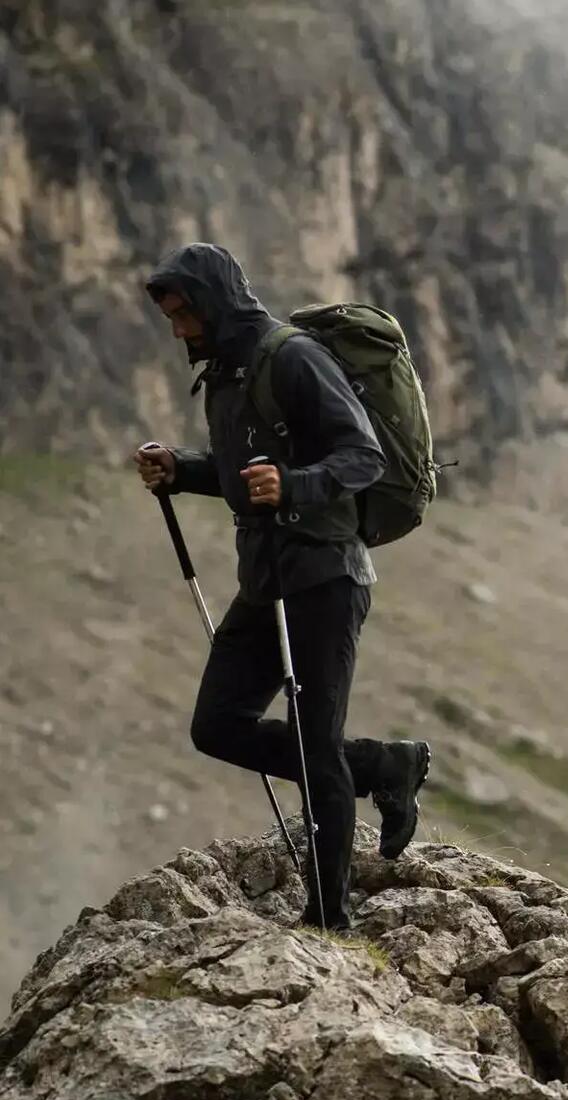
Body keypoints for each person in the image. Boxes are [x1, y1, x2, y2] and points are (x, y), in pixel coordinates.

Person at [133, 243, 431, 931]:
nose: (179, 328)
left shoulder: (292, 357)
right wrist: (179, 469)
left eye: (184, 313)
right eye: (172, 316)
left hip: (325, 573)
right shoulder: (228, 374)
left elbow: (362, 454)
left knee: (313, 741)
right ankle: (386, 764)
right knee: (216, 725)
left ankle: (329, 918)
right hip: (267, 575)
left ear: (213, 301)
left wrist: (293, 486)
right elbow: (246, 475)